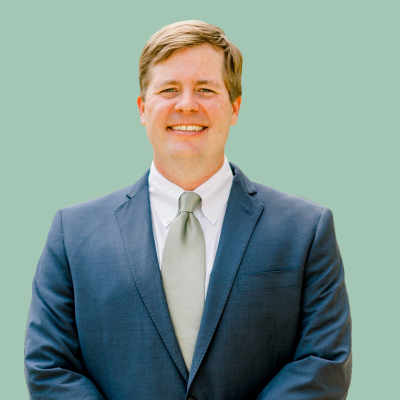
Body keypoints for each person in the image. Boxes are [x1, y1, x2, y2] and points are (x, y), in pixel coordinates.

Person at [24, 20, 352, 400]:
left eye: (205, 89)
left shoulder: (306, 230)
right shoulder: (73, 234)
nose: (186, 104)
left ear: (235, 107)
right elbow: (49, 365)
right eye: (169, 89)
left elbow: (324, 362)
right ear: (142, 108)